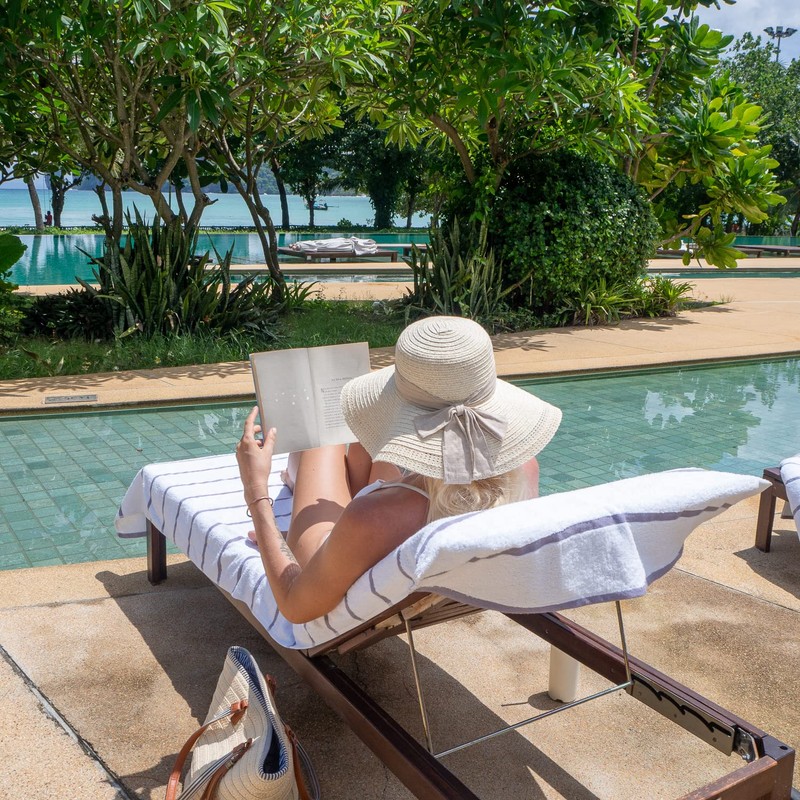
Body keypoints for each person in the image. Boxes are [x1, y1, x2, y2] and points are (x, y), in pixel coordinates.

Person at [236, 316, 562, 624]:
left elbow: (294, 604)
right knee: (367, 445)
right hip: (407, 522)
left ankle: (297, 480)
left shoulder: (372, 515)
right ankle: (301, 478)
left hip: (339, 547)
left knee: (322, 444)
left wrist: (255, 489)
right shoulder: (525, 469)